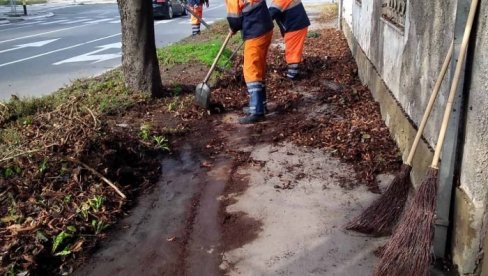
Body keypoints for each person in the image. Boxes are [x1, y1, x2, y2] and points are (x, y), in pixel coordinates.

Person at [225, 0, 274, 124]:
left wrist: (233, 28)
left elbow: (235, 20)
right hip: (265, 27)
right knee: (259, 68)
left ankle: (257, 111)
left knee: (251, 70)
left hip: (255, 31)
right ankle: (261, 106)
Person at [269, 0, 310, 80]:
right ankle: (295, 70)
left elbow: (270, 15)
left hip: (295, 27)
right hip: (298, 24)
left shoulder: (279, 1)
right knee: (294, 49)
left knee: (292, 51)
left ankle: (293, 75)